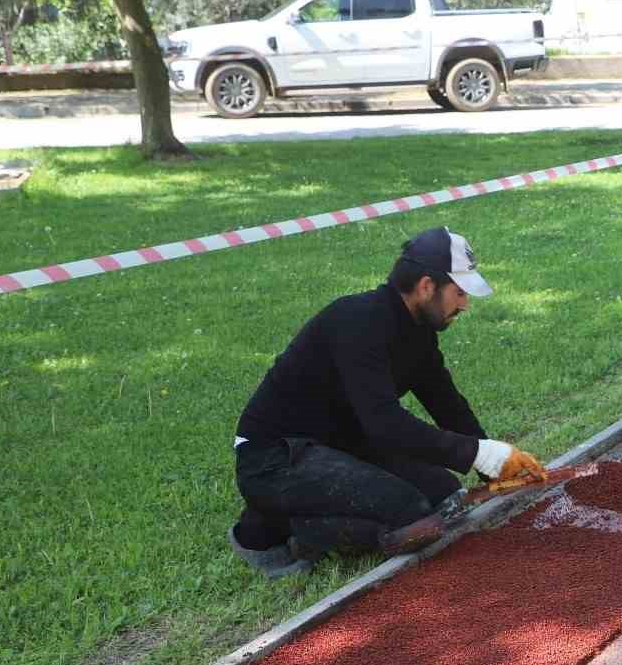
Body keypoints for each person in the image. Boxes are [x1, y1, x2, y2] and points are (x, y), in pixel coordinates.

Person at [226, 226, 544, 577]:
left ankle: (306, 509)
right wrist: (478, 453)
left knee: (445, 494)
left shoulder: (418, 332)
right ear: (427, 286)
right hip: (275, 456)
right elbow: (385, 426)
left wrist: (495, 465)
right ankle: (280, 526)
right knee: (413, 515)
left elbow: (446, 403)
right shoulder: (358, 321)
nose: (465, 304)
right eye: (459, 292)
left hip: (338, 446)